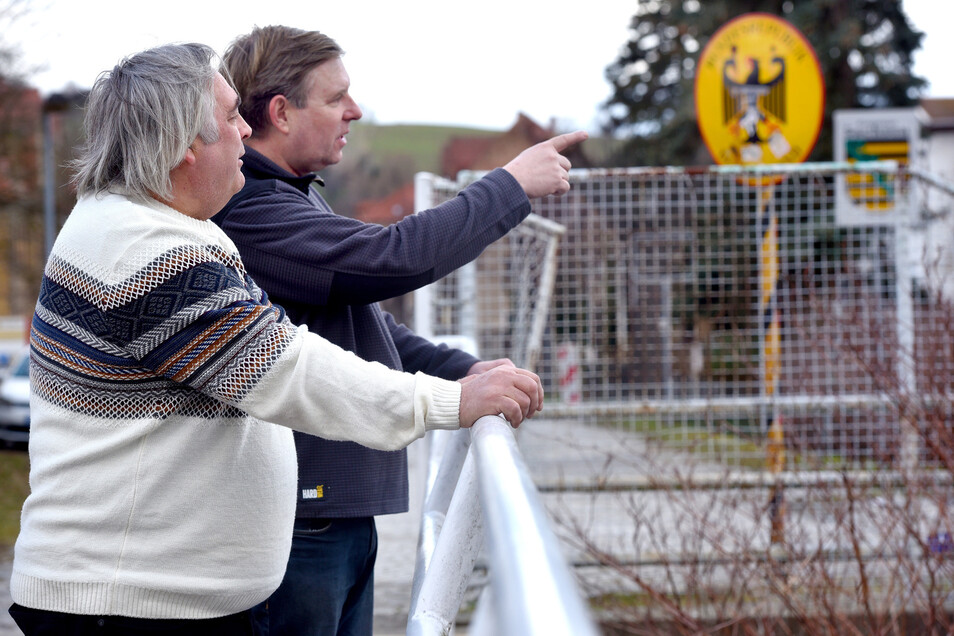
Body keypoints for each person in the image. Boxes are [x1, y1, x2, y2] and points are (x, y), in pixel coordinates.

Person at [7, 42, 544, 636]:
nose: (245, 131)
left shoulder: (135, 224)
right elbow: (287, 369)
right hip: (129, 605)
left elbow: (291, 343)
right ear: (184, 147)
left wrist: (454, 376)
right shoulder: (150, 256)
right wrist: (450, 402)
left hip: (145, 598)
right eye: (232, 117)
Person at [216, 25, 586, 636]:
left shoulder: (293, 200)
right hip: (300, 526)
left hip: (326, 515)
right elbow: (393, 257)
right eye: (337, 98)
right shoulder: (256, 209)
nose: (354, 112)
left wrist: (460, 369)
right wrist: (510, 185)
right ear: (282, 112)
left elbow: (362, 323)